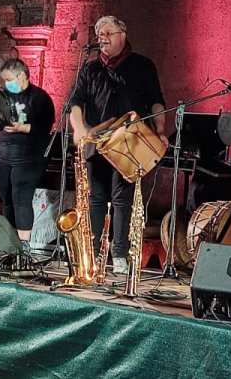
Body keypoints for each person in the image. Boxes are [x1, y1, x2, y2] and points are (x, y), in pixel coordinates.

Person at [68, 15, 168, 275]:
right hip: (97, 144)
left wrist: (160, 130)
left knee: (122, 200)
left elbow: (157, 101)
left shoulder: (142, 66)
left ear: (123, 34)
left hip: (129, 142)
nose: (102, 37)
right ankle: (91, 252)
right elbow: (75, 103)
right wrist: (79, 128)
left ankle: (119, 254)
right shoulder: (90, 69)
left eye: (108, 32)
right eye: (99, 33)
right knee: (96, 198)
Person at [0, 58, 55, 246]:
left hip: (29, 155)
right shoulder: (3, 95)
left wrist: (22, 128)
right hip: (6, 152)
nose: (7, 84)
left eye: (9, 79)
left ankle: (24, 245)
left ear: (22, 75)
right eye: (4, 81)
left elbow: (45, 127)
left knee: (21, 198)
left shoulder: (39, 97)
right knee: (6, 198)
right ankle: (9, 241)